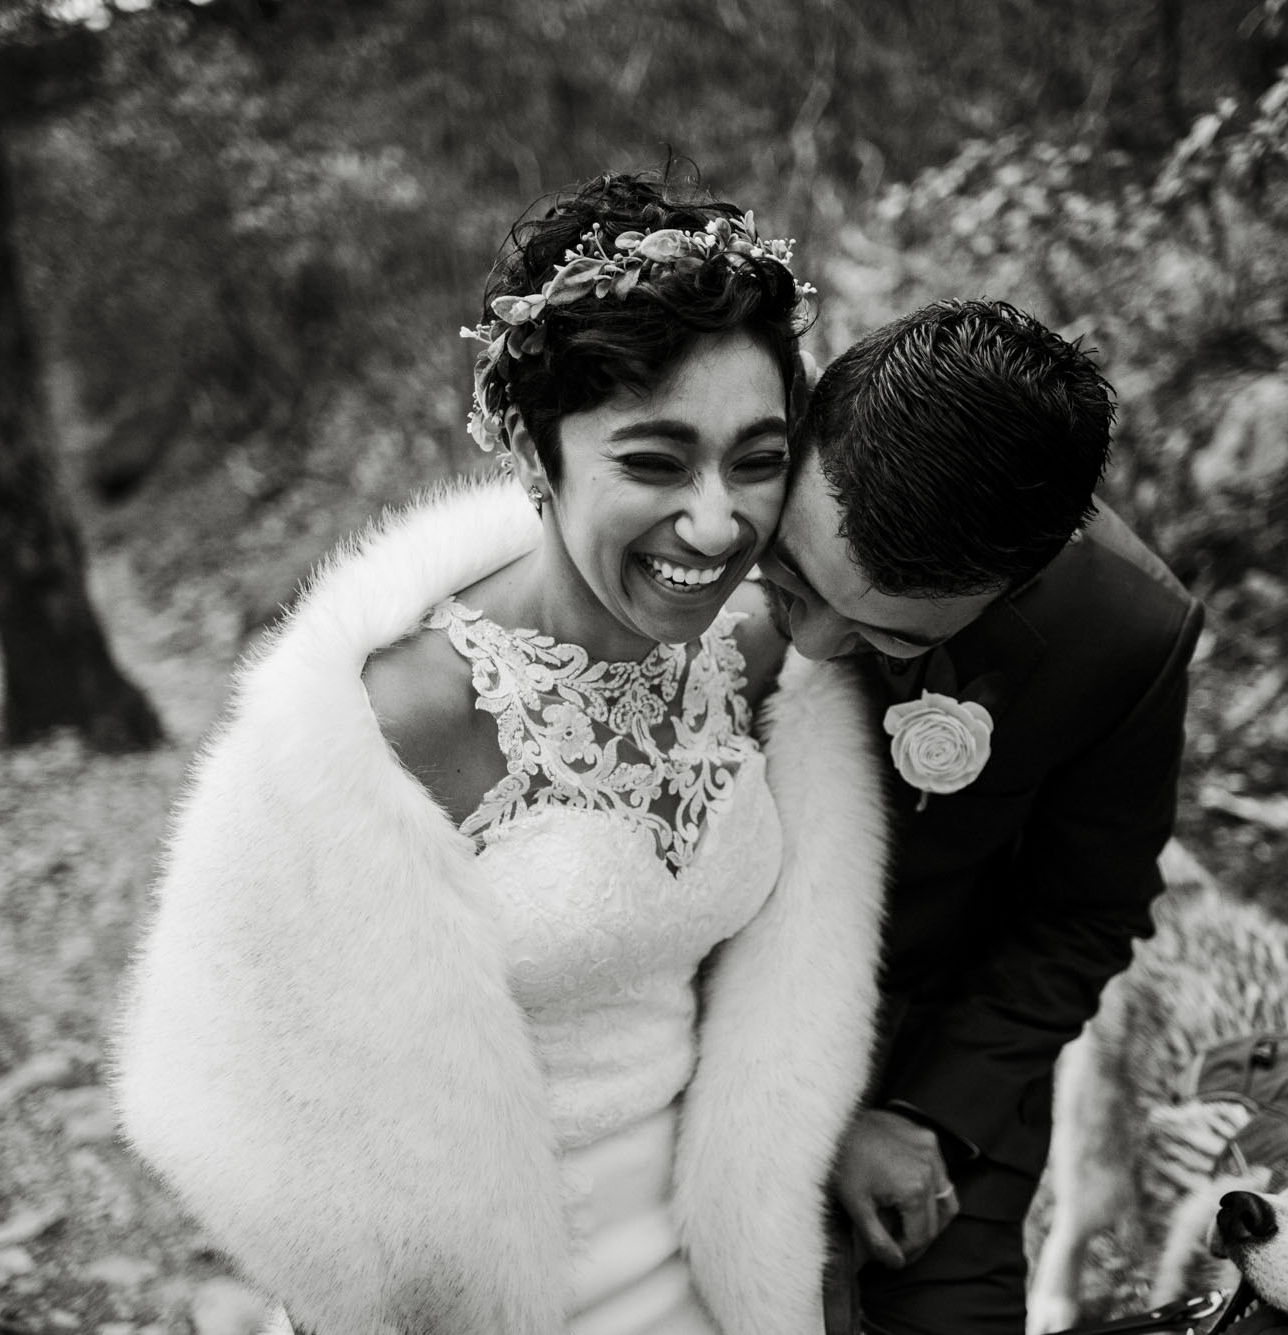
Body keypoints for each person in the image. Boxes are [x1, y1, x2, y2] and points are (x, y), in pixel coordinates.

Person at [109, 173, 890, 1335]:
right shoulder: (387, 719)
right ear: (533, 451)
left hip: (732, 1262)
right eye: (655, 461)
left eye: (756, 457)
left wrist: (848, 1123)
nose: (718, 521)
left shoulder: (770, 659)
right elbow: (231, 1084)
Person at [759, 300, 1207, 1335]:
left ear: (1022, 579)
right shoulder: (711, 501)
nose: (820, 644)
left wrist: (923, 1114)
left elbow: (1079, 917)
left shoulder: (1120, 637)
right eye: (792, 580)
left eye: (884, 632)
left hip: (926, 1053)